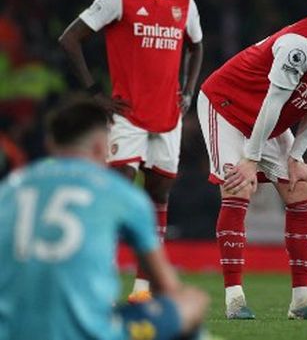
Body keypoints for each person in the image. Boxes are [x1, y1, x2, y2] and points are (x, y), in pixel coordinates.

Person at [197, 0, 307, 320]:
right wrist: (250, 159)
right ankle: (234, 299)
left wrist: (296, 156)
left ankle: (302, 300)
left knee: (300, 186)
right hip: (227, 106)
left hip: (268, 120)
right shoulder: (298, 47)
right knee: (239, 185)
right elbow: (273, 101)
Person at [58, 0, 204, 300]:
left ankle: (143, 287)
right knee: (117, 188)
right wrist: (96, 95)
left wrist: (188, 90)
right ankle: (100, 273)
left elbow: (197, 45)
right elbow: (70, 38)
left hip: (168, 116)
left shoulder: (184, 2)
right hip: (128, 114)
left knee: (158, 195)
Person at [0, 97, 210, 340]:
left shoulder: (10, 188)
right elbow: (166, 288)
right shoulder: (120, 193)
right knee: (190, 303)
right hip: (91, 332)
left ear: (49, 144)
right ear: (102, 147)